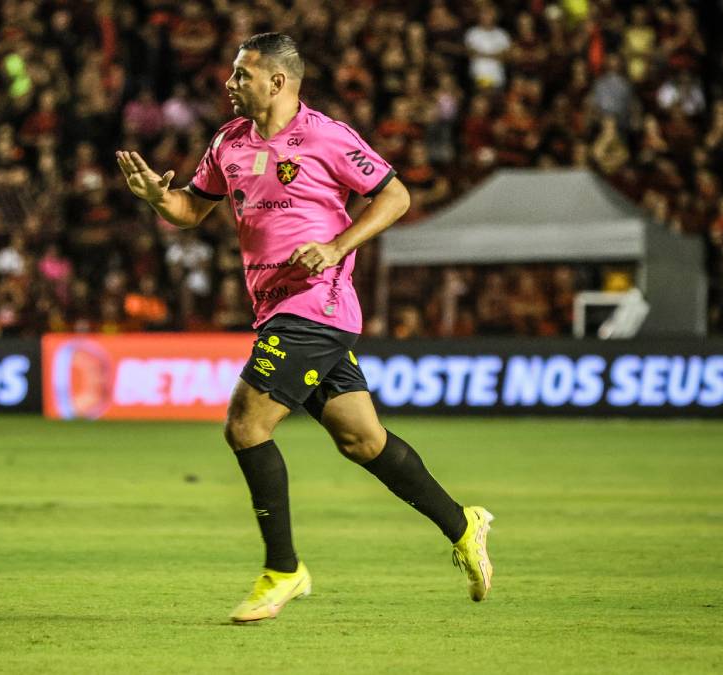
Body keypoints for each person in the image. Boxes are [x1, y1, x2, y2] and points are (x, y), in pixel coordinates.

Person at [116, 33, 493, 624]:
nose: (229, 84)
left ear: (278, 82)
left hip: (317, 305)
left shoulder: (326, 136)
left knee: (246, 424)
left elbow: (394, 196)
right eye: (232, 74)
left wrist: (338, 245)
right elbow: (193, 210)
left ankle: (284, 569)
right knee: (362, 440)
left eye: (242, 74)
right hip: (275, 306)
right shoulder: (228, 143)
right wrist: (158, 200)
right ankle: (462, 524)